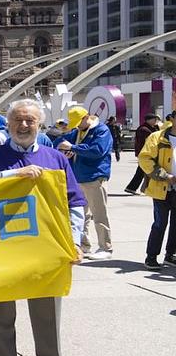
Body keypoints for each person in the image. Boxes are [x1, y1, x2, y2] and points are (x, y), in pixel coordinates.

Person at [0, 99, 85, 356]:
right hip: (1, 249)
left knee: (47, 315)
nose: (24, 126)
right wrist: (12, 175)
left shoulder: (55, 158)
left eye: (30, 121)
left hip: (44, 250)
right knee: (0, 315)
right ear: (8, 124)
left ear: (39, 124)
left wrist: (73, 242)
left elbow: (73, 202)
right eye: (18, 120)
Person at [58, 106, 114, 260]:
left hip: (95, 177)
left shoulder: (101, 130)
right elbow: (60, 142)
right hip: (78, 178)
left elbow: (97, 151)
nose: (77, 126)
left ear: (86, 117)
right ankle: (84, 246)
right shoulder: (77, 131)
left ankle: (106, 247)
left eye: (79, 122)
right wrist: (65, 150)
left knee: (99, 214)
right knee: (81, 215)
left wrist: (73, 148)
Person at [136, 119, 176, 269]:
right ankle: (151, 256)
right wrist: (165, 176)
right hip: (161, 188)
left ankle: (170, 255)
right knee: (160, 223)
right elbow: (145, 158)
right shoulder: (157, 137)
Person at [125, 114, 159, 195]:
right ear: (149, 120)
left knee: (141, 172)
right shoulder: (144, 129)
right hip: (145, 154)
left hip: (145, 153)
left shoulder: (147, 128)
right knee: (143, 171)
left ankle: (132, 188)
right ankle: (133, 188)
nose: (155, 121)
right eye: (154, 119)